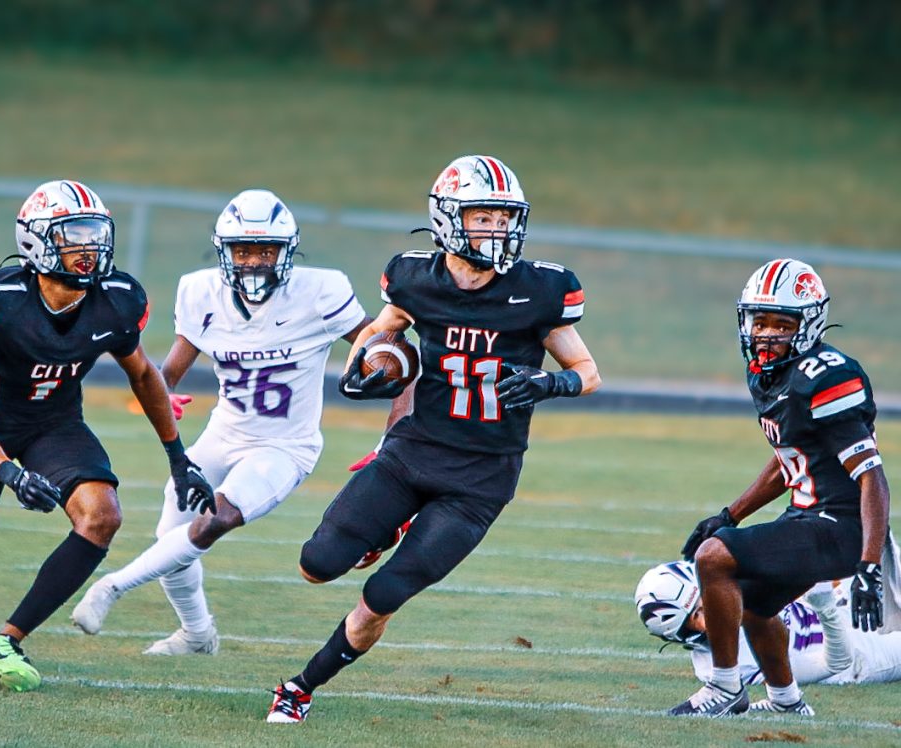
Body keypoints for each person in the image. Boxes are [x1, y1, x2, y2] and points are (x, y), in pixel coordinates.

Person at [265, 155, 602, 723]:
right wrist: (364, 364)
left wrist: (554, 381)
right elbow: (382, 329)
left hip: (482, 478)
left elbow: (589, 372)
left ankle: (300, 688)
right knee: (316, 564)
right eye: (483, 217)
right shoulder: (414, 277)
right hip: (410, 453)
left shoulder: (539, 290)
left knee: (384, 595)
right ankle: (391, 524)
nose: (496, 229)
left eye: (504, 217)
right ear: (447, 218)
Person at [0, 179, 213, 692]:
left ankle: (4, 643)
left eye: (95, 234)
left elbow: (143, 374)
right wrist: (12, 474)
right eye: (74, 235)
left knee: (103, 516)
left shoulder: (117, 300)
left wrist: (178, 458)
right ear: (36, 240)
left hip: (56, 424)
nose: (88, 248)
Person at [70, 188, 372, 654]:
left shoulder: (321, 291)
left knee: (218, 517)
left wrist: (386, 386)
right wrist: (163, 393)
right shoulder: (200, 290)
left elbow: (380, 346)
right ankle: (196, 634)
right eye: (243, 250)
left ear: (287, 251)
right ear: (224, 251)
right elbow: (167, 370)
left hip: (284, 445)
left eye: (265, 249)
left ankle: (112, 586)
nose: (253, 261)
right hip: (224, 433)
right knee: (170, 536)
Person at [671, 259, 891, 717]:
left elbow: (872, 475)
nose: (767, 333)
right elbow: (787, 461)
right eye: (761, 321)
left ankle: (726, 688)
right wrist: (730, 514)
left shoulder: (828, 377)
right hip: (807, 515)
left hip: (839, 525)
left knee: (714, 557)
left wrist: (869, 564)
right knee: (751, 603)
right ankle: (788, 702)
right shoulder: (769, 373)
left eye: (782, 324)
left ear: (807, 325)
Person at [637, 561, 901, 694]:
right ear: (685, 633)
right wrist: (826, 607)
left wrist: (831, 581)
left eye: (706, 593)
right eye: (698, 611)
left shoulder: (732, 586)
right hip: (860, 652)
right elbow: (836, 663)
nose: (714, 604)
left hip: (842, 605)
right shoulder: (727, 667)